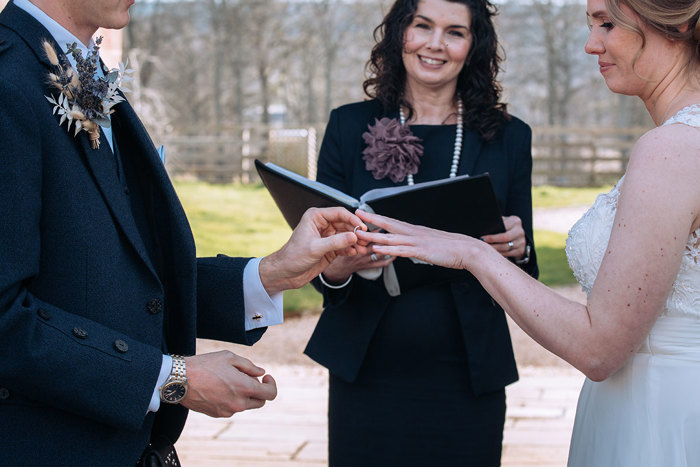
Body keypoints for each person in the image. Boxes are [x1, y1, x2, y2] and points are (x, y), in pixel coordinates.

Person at [0, 0, 368, 464]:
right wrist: (172, 379)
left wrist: (271, 274)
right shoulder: (7, 82)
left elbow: (116, 277)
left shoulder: (76, 66)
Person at [358, 0, 700, 464]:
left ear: (676, 24)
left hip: (659, 417)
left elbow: (599, 349)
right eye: (589, 24)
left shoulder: (672, 149)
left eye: (607, 24)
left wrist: (470, 253)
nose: (590, 43)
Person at [303, 0, 538, 464]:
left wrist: (519, 245)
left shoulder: (510, 137)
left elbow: (526, 265)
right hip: (367, 368)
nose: (435, 44)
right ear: (399, 35)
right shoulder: (349, 126)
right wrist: (338, 267)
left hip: (469, 370)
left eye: (455, 32)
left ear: (474, 46)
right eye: (422, 26)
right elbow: (318, 265)